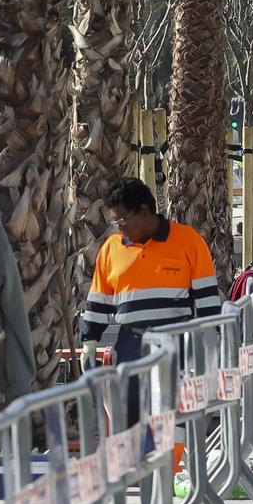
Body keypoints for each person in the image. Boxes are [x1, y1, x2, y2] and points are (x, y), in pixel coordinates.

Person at [80, 178, 220, 420]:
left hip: (177, 343)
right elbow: (99, 300)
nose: (118, 227)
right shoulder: (111, 249)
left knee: (173, 418)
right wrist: (89, 340)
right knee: (131, 418)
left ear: (144, 212)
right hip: (130, 345)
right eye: (115, 221)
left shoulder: (188, 241)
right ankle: (139, 458)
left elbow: (207, 300)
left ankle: (171, 458)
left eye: (122, 219)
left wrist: (213, 341)